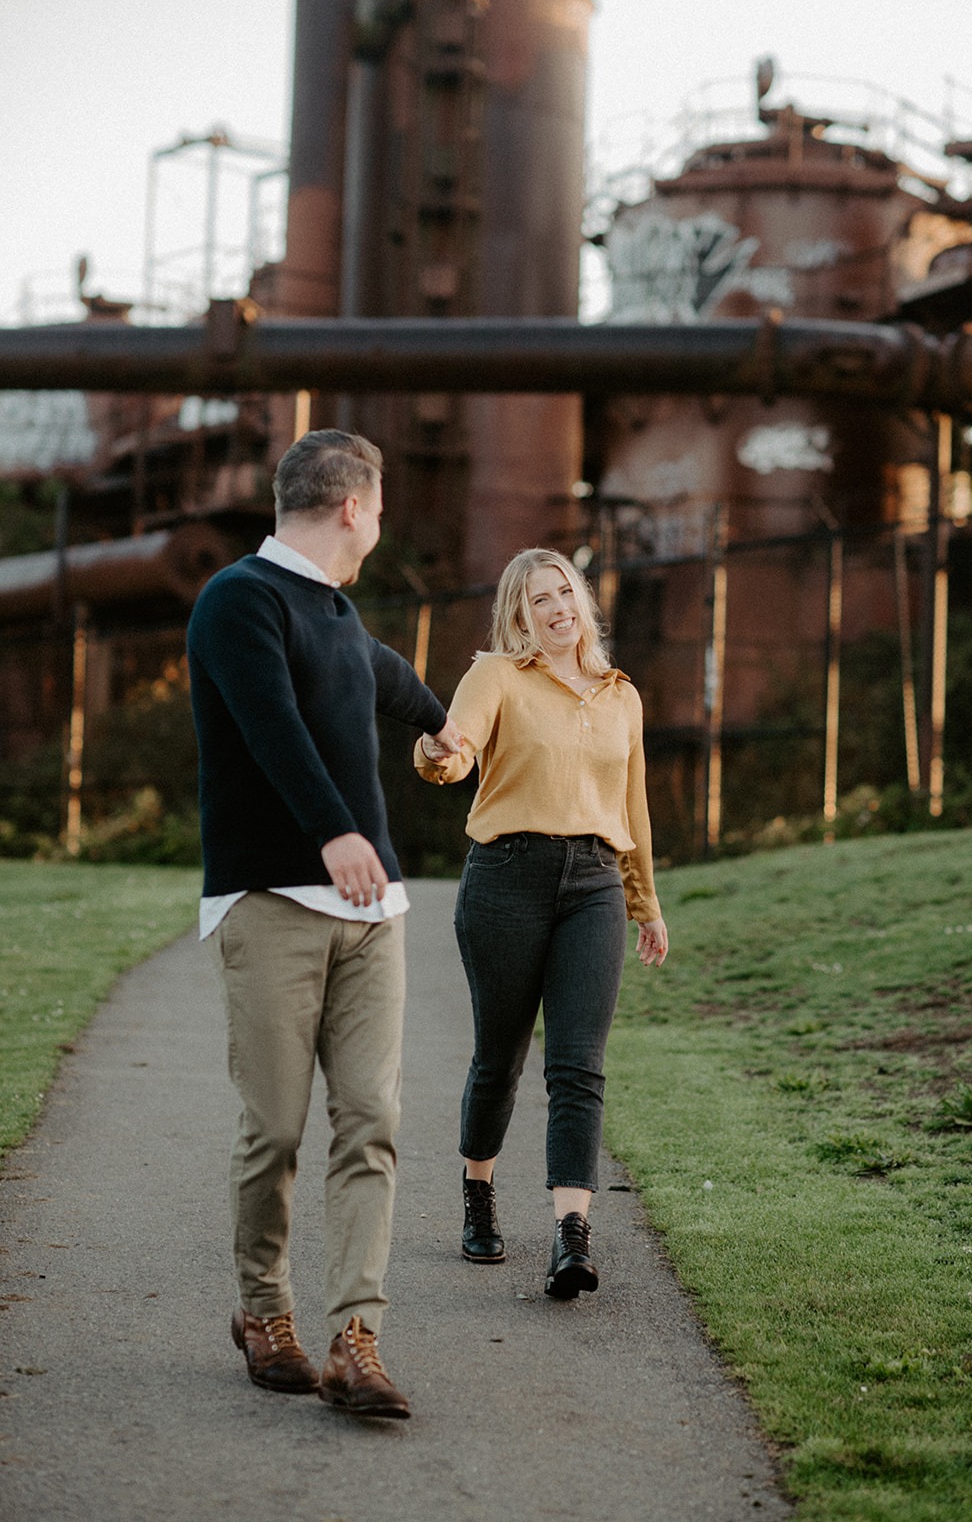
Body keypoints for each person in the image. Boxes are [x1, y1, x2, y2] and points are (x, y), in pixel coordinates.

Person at [186, 428, 462, 1418]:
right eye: (379, 509)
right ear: (353, 505)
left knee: (372, 1123)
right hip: (272, 904)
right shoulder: (237, 600)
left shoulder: (337, 615)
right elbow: (271, 724)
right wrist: (335, 829)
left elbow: (384, 677)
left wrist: (440, 724)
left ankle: (356, 1337)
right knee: (275, 1127)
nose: (378, 525)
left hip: (373, 917)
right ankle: (265, 1312)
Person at [415, 546, 669, 1299]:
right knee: (500, 1057)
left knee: (579, 1064)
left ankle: (571, 1234)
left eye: (564, 592)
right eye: (537, 600)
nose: (556, 608)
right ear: (519, 616)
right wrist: (438, 753)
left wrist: (644, 902)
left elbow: (634, 810)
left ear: (582, 600)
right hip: (506, 881)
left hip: (594, 884)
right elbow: (453, 751)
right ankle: (478, 1192)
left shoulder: (622, 695)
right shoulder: (497, 675)